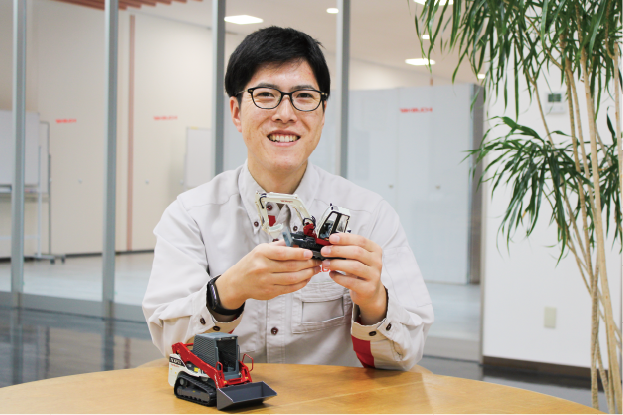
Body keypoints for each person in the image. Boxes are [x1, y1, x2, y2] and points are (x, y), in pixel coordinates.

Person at [142, 26, 433, 371]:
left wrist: (374, 302)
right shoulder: (190, 216)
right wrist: (229, 290)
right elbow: (170, 343)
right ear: (236, 111)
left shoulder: (369, 216)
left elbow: (407, 354)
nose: (285, 113)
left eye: (304, 96)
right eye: (266, 95)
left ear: (322, 114)